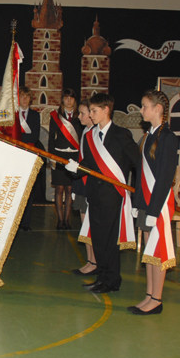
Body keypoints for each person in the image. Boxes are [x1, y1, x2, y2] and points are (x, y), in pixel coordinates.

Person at [65, 92, 141, 293]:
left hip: (112, 196)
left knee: (109, 241)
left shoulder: (121, 134)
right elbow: (89, 164)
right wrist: (75, 169)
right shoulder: (91, 136)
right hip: (94, 195)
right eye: (90, 111)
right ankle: (102, 277)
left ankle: (112, 280)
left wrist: (139, 197)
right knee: (98, 240)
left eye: (93, 110)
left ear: (106, 110)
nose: (90, 114)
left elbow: (138, 164)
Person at [129, 91, 179, 315]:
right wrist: (137, 203)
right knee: (148, 252)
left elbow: (165, 177)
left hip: (158, 205)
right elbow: (140, 174)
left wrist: (153, 210)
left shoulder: (168, 137)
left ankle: (156, 299)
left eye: (144, 106)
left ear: (157, 108)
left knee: (157, 252)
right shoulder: (148, 136)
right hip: (146, 203)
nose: (141, 110)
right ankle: (149, 295)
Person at [49, 88, 82, 230]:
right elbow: (51, 138)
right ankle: (60, 220)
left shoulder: (80, 116)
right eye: (66, 98)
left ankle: (67, 221)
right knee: (59, 188)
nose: (69, 101)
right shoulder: (56, 116)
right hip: (59, 155)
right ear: (62, 100)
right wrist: (51, 157)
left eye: (71, 98)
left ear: (75, 100)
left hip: (74, 156)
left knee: (69, 189)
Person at [71, 100, 97, 276]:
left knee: (90, 225)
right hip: (82, 182)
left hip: (90, 183)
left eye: (82, 113)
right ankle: (90, 260)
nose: (79, 116)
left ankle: (94, 261)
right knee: (84, 224)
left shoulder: (94, 133)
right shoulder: (85, 131)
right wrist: (76, 186)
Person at [17, 86, 42, 230]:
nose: (24, 99)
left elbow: (34, 137)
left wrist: (19, 138)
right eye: (22, 96)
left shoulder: (35, 115)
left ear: (30, 99)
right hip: (16, 155)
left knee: (29, 189)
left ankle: (26, 223)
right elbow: (10, 136)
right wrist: (21, 138)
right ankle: (15, 223)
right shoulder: (13, 115)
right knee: (16, 188)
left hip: (30, 156)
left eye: (27, 96)